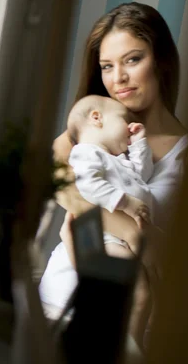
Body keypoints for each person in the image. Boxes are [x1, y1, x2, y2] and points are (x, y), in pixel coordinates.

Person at [39, 2, 188, 350]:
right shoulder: (87, 136)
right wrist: (136, 237)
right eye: (107, 66)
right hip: (58, 300)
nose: (117, 78)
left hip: (130, 332)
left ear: (162, 59)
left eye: (132, 60)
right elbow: (68, 190)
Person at [64, 94, 154, 346]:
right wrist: (128, 203)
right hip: (104, 238)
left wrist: (138, 144)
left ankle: (127, 345)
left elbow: (142, 176)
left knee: (142, 295)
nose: (128, 127)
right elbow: (88, 186)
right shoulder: (85, 153)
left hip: (123, 240)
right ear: (97, 118)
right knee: (138, 293)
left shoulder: (118, 160)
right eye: (124, 120)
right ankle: (127, 348)